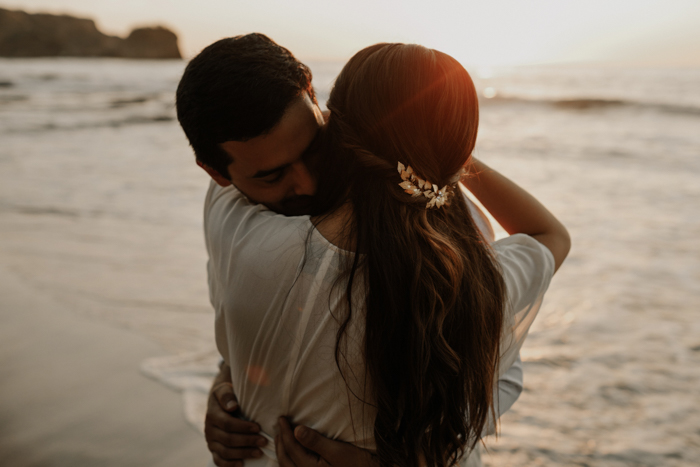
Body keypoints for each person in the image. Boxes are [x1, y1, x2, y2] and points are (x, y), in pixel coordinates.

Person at [177, 36, 569, 467]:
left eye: (313, 149)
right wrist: (225, 382)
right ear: (217, 174)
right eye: (272, 176)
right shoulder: (465, 253)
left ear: (319, 100)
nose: (305, 183)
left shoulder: (235, 223)